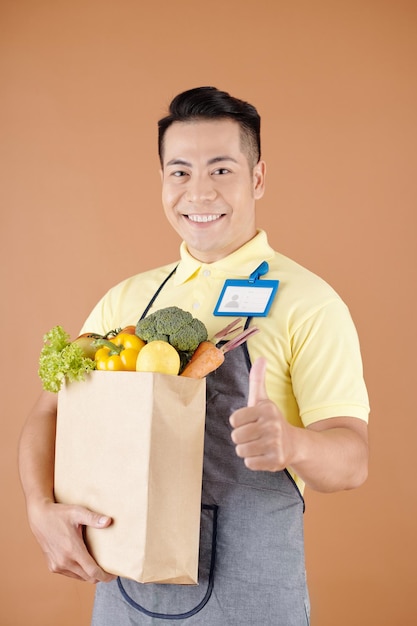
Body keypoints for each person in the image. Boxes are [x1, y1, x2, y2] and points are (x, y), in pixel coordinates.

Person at [19, 86, 370, 625]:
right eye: (180, 171)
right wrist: (39, 507)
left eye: (222, 170)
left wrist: (292, 443)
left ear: (256, 178)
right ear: (162, 180)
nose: (198, 192)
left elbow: (352, 460)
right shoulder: (128, 299)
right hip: (127, 590)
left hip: (250, 596)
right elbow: (49, 411)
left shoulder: (309, 302)